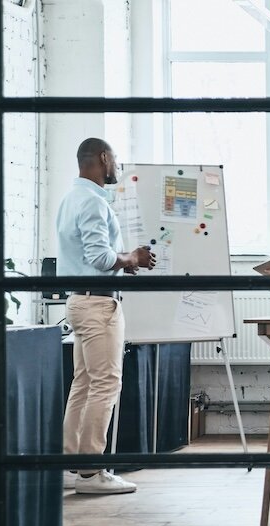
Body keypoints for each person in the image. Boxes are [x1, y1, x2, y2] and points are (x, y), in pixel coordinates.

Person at [57, 138, 156, 495]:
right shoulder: (93, 202)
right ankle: (90, 471)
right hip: (98, 306)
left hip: (79, 301)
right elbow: (100, 258)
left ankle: (71, 465)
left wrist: (121, 261)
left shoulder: (71, 198)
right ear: (102, 158)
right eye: (114, 159)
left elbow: (91, 256)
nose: (116, 165)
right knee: (105, 384)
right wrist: (131, 258)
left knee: (84, 384)